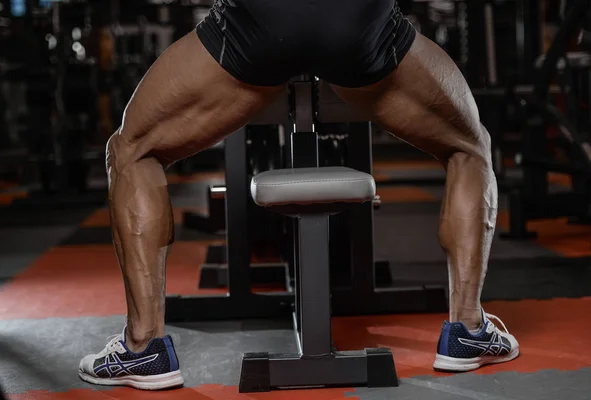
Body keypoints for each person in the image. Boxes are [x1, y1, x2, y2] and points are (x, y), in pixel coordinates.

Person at [78, 0, 519, 390]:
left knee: (131, 149)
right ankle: (468, 330)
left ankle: (144, 347)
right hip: (357, 20)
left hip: (263, 20)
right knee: (469, 145)